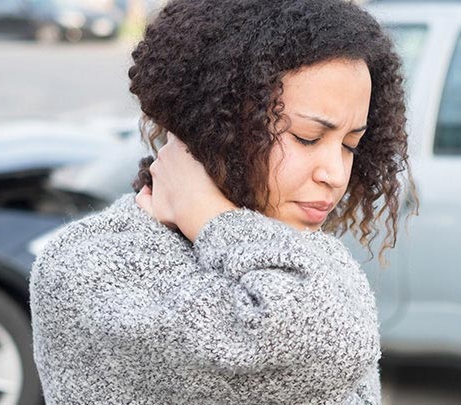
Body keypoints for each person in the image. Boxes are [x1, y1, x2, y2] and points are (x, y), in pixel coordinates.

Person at [29, 0, 418, 403]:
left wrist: (205, 213)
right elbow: (328, 338)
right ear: (218, 120)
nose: (334, 174)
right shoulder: (85, 265)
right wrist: (205, 212)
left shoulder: (288, 251)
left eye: (351, 145)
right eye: (307, 138)